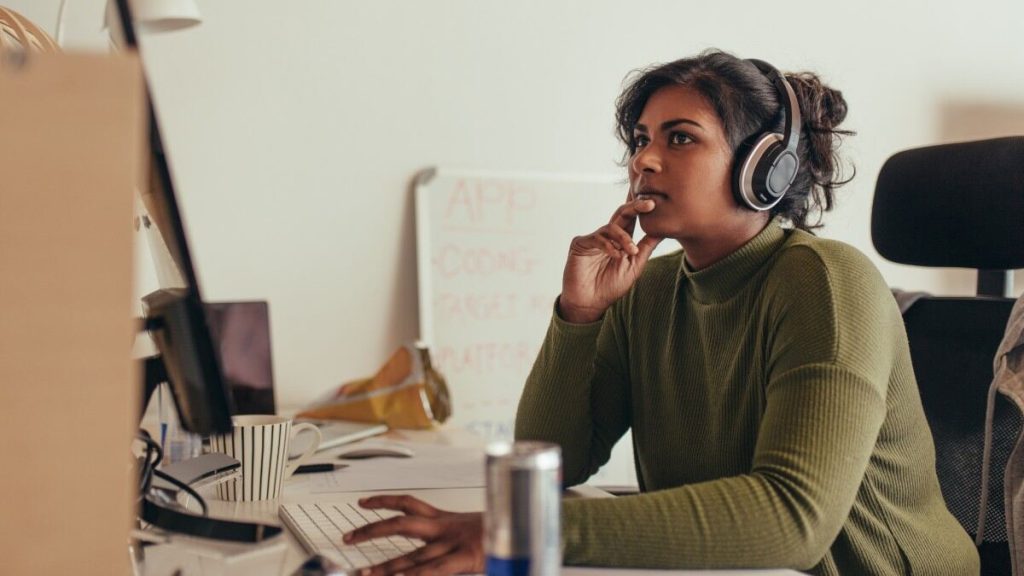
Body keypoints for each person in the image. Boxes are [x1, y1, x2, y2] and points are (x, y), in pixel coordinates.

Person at [343, 49, 980, 575]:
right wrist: (579, 316)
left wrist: (530, 532)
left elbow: (794, 520)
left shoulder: (826, 282)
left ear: (764, 169)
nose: (644, 160)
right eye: (641, 140)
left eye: (681, 139)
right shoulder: (651, 288)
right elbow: (555, 461)